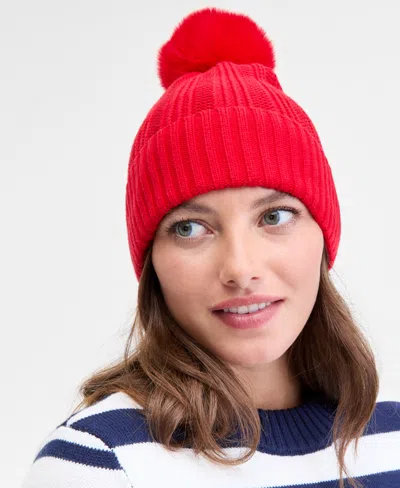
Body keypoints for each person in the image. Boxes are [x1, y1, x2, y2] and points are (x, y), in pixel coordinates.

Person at [21, 7, 400, 488]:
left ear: (323, 235)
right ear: (152, 261)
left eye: (274, 217)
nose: (240, 268)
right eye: (189, 228)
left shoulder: (391, 438)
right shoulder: (100, 462)